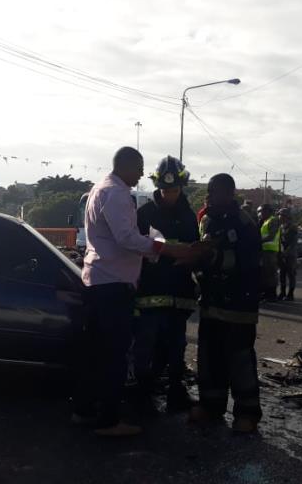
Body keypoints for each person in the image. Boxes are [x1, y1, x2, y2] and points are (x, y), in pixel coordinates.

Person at [73, 146, 197, 437]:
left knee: (96, 354)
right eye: (140, 168)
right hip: (113, 284)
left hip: (99, 281)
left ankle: (84, 410)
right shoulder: (117, 194)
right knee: (115, 355)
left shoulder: (99, 189)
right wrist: (162, 247)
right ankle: (108, 421)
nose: (142, 174)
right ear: (127, 166)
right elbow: (127, 238)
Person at [189, 173, 262, 433]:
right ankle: (211, 405)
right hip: (211, 301)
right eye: (208, 191)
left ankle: (247, 412)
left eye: (214, 192)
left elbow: (249, 263)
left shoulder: (244, 223)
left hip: (238, 305)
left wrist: (212, 257)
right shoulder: (207, 220)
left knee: (240, 359)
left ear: (229, 194)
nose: (209, 196)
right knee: (209, 357)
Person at [132, 156, 199, 415]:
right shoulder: (145, 213)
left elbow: (194, 248)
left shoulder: (189, 215)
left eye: (174, 189)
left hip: (179, 292)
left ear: (181, 187)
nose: (169, 194)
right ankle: (143, 393)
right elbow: (134, 248)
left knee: (176, 346)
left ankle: (174, 391)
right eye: (165, 189)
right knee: (145, 344)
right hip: (150, 291)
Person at [257, 204, 280, 302]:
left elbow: (271, 236)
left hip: (270, 251)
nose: (260, 214)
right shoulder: (265, 221)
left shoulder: (273, 220)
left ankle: (272, 295)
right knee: (265, 274)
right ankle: (266, 294)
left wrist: (258, 241)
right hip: (265, 250)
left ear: (268, 211)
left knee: (271, 274)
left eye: (262, 211)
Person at [277, 208, 298, 301]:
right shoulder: (281, 227)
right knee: (282, 274)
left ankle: (290, 294)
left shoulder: (292, 227)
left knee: (291, 275)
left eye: (280, 215)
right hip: (282, 254)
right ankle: (282, 292)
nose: (279, 217)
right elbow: (280, 241)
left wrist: (286, 253)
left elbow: (293, 243)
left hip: (290, 255)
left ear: (286, 216)